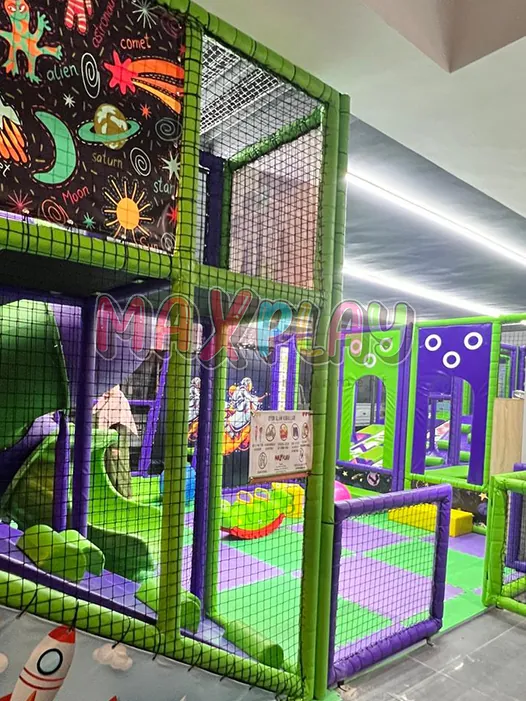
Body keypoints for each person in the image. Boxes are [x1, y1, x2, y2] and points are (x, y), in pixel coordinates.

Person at [93, 385, 138, 498]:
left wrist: (116, 447)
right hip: (104, 443)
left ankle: (124, 495)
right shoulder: (103, 401)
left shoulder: (120, 401)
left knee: (118, 469)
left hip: (116, 445)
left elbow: (122, 429)